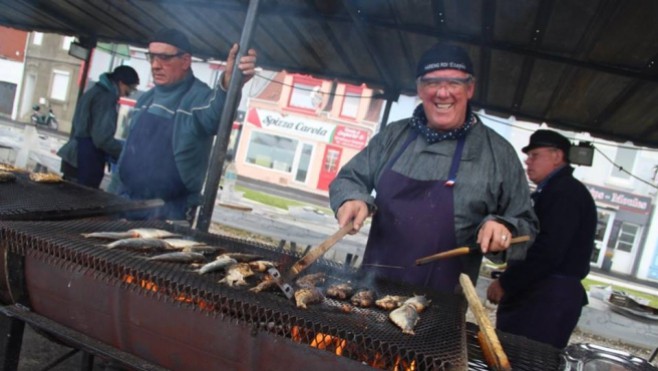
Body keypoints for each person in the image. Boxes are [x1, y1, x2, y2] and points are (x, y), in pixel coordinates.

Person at [329, 43, 538, 293]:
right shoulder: (394, 136)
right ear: (419, 88)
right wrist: (351, 198)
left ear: (470, 88)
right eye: (432, 82)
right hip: (370, 294)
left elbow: (527, 225)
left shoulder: (499, 154)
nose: (442, 93)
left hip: (442, 309)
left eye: (454, 83)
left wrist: (505, 229)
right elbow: (349, 178)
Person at [114, 28, 257, 222]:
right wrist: (109, 200)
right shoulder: (145, 100)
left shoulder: (198, 98)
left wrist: (229, 85)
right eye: (152, 57)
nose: (155, 65)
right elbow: (125, 158)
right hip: (126, 204)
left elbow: (216, 117)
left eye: (164, 57)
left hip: (171, 213)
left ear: (186, 61)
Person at [486, 129, 597, 349]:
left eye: (535, 155)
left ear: (557, 156)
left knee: (526, 360)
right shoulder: (551, 192)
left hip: (547, 298)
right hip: (540, 294)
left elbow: (547, 251)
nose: (528, 161)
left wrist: (507, 282)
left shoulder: (565, 193)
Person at [57, 65, 139, 188]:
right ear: (121, 83)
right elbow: (102, 138)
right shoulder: (106, 98)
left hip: (73, 159)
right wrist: (124, 154)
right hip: (85, 162)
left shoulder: (94, 91)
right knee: (81, 203)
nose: (129, 94)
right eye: (130, 89)